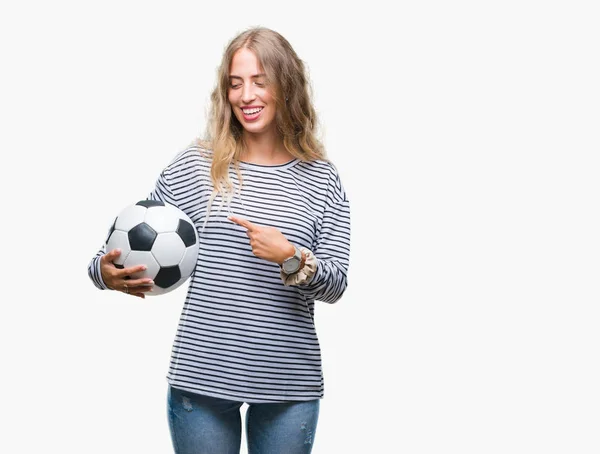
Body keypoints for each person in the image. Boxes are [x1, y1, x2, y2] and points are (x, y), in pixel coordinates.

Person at [87, 26, 351, 454]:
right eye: (236, 83)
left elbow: (337, 284)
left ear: (287, 86)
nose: (247, 95)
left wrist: (290, 257)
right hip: (201, 378)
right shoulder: (198, 164)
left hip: (288, 383)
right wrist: (102, 271)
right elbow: (130, 237)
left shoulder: (321, 178)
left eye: (260, 81)